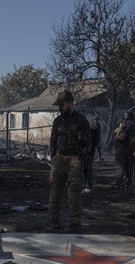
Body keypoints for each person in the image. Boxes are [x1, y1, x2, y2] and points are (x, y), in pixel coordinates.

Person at [49, 91, 92, 230]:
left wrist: (82, 158)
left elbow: (88, 142)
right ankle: (55, 221)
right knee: (55, 192)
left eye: (62, 104)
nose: (60, 107)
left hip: (75, 159)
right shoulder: (58, 121)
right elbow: (53, 140)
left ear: (70, 102)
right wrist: (53, 158)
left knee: (74, 193)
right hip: (60, 159)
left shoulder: (81, 120)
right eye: (59, 105)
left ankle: (74, 222)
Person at [113, 112, 135, 190]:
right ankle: (128, 183)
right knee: (129, 167)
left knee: (120, 167)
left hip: (123, 148)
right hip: (132, 149)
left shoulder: (126, 126)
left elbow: (122, 137)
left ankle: (118, 184)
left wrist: (116, 136)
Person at [83, 114, 101, 193]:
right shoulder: (96, 128)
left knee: (86, 168)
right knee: (88, 168)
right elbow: (97, 140)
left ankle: (87, 185)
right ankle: (87, 185)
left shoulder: (88, 130)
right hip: (90, 150)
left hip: (86, 151)